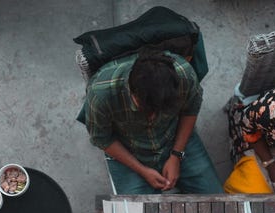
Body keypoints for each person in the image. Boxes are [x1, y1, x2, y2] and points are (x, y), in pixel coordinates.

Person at [81, 50, 223, 194]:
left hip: (175, 138)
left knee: (218, 203)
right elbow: (102, 139)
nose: (153, 117)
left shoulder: (184, 74)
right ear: (131, 91)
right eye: (146, 110)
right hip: (130, 150)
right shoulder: (100, 95)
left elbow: (190, 110)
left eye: (161, 110)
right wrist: (142, 171)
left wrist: (176, 155)